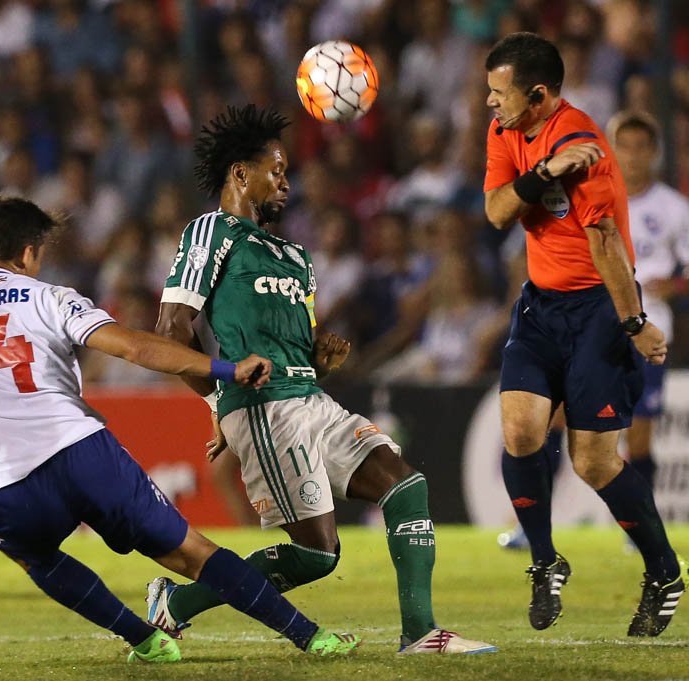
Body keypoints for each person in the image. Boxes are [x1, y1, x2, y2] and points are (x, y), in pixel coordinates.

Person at [0, 195, 359, 663]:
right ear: (28, 252)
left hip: (3, 485)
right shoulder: (49, 296)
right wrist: (225, 368)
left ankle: (144, 640)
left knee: (34, 556)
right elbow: (133, 347)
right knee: (191, 553)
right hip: (78, 450)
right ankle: (311, 638)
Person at [148, 104, 496, 656]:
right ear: (240, 174)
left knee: (405, 484)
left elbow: (297, 343)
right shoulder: (212, 233)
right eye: (276, 171)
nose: (287, 183)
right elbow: (171, 329)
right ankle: (176, 603)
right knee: (317, 555)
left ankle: (421, 632)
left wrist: (319, 355)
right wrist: (220, 399)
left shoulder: (294, 256)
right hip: (264, 408)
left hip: (312, 399)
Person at [483, 32, 689, 637]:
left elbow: (606, 246)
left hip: (599, 310)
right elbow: (497, 212)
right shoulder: (506, 133)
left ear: (539, 95)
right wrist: (544, 171)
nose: (490, 104)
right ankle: (545, 561)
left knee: (593, 463)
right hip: (541, 306)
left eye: (500, 94)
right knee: (521, 430)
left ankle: (664, 572)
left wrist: (635, 324)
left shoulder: (589, 150)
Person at [609, 111, 689, 518]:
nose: (632, 156)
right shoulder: (593, 201)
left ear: (653, 152)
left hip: (650, 326)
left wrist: (677, 284)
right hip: (599, 323)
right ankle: (535, 522)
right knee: (559, 418)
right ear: (612, 151)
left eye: (640, 147)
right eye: (625, 146)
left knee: (640, 430)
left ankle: (641, 520)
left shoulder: (674, 207)